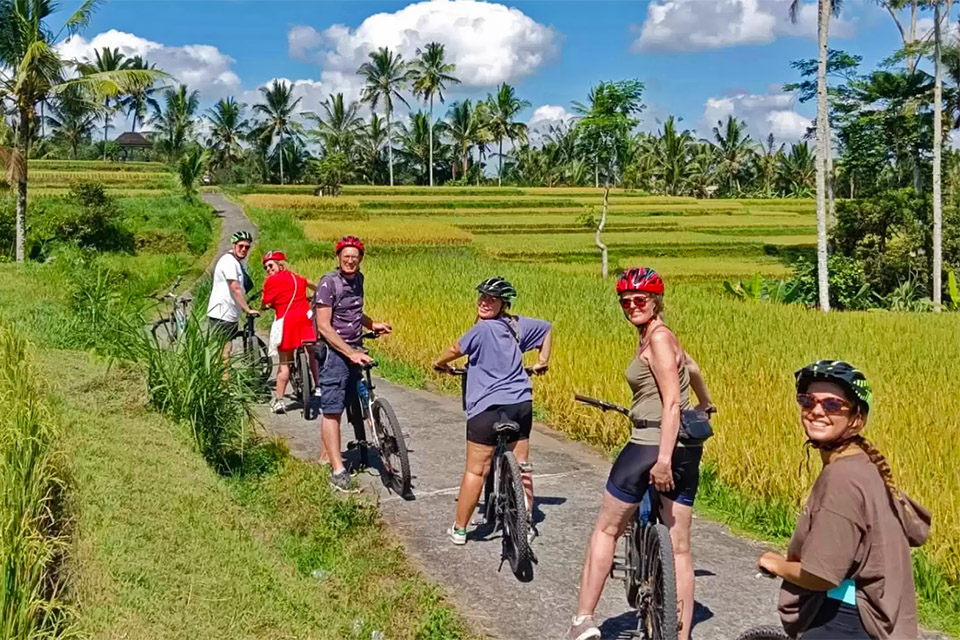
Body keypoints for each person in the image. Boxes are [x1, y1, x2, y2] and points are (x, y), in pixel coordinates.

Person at [567, 267, 714, 640]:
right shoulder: (664, 337)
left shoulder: (659, 340)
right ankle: (681, 636)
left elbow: (670, 404)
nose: (632, 306)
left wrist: (662, 460)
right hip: (686, 449)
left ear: (656, 301)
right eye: (626, 301)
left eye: (640, 300)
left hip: (651, 444)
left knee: (607, 527)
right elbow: (692, 368)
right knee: (679, 547)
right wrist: (707, 402)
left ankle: (583, 621)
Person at [757, 361, 930, 640]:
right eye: (807, 401)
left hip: (843, 620)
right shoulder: (864, 466)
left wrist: (776, 564)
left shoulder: (842, 479)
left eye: (833, 405)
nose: (816, 411)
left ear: (857, 418)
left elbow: (821, 574)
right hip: (878, 619)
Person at [432, 277, 552, 546]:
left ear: (503, 304)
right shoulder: (516, 326)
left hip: (486, 407)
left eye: (492, 299)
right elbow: (546, 329)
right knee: (521, 465)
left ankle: (460, 529)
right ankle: (526, 523)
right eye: (482, 297)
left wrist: (438, 364)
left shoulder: (482, 329)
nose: (484, 302)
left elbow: (454, 349)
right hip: (520, 404)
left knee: (476, 470)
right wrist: (542, 361)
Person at [313, 235, 392, 492]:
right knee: (332, 409)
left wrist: (372, 324)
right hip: (336, 353)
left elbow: (354, 311)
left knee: (355, 396)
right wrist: (349, 352)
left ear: (360, 260)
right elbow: (324, 326)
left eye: (355, 258)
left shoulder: (359, 280)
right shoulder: (328, 283)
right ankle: (337, 470)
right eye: (346, 257)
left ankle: (327, 456)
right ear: (338, 258)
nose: (350, 261)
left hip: (354, 348)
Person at [260, 250, 321, 414]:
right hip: (304, 320)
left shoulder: (271, 282)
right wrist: (318, 294)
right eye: (266, 267)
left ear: (280, 264)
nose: (268, 269)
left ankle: (279, 400)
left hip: (287, 323)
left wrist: (262, 306)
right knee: (311, 353)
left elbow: (266, 301)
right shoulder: (296, 278)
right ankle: (319, 386)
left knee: (285, 363)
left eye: (270, 265)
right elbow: (313, 284)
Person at [207, 230, 259, 365]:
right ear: (233, 245)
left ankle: (223, 380)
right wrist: (247, 309)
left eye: (247, 247)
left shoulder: (239, 262)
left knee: (225, 350)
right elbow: (235, 287)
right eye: (241, 246)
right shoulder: (229, 262)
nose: (243, 249)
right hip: (222, 313)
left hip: (230, 314)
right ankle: (224, 383)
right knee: (224, 351)